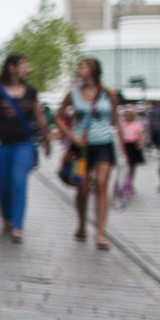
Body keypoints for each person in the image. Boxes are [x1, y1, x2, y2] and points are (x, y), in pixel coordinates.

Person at [0, 54, 51, 243]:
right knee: (3, 186)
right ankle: (7, 219)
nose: (26, 69)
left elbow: (39, 116)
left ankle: (17, 226)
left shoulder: (30, 92)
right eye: (23, 66)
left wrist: (47, 139)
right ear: (11, 67)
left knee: (19, 183)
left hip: (24, 144)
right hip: (1, 146)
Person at [54, 57, 124, 250]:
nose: (79, 69)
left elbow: (116, 121)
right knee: (82, 189)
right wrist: (72, 137)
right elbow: (58, 118)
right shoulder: (73, 94)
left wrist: (123, 151)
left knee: (101, 185)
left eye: (82, 66)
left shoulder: (108, 94)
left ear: (93, 70)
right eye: (78, 66)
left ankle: (100, 233)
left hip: (104, 145)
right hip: (81, 149)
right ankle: (82, 224)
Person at [120, 106, 145, 188]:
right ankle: (124, 180)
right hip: (125, 145)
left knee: (132, 165)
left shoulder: (137, 125)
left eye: (130, 115)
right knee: (125, 164)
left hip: (133, 146)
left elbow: (140, 135)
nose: (128, 117)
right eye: (126, 115)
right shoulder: (123, 124)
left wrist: (141, 143)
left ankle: (130, 181)